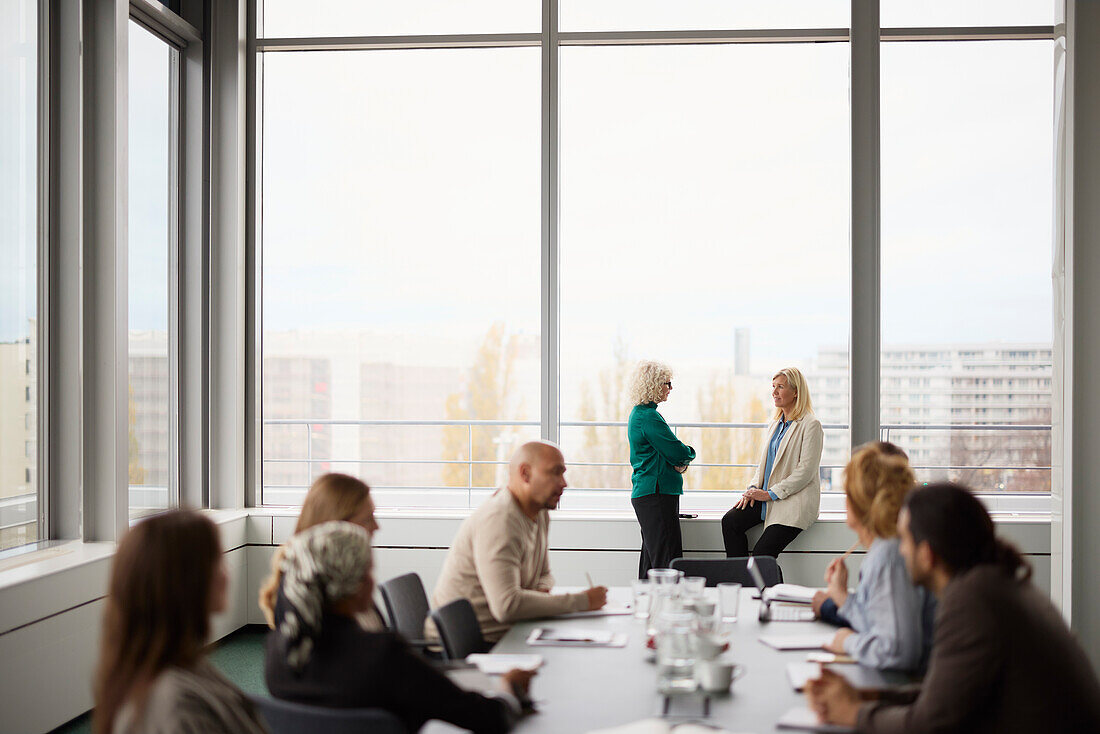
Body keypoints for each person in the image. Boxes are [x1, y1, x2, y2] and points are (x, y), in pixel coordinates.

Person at [805, 483, 1100, 733]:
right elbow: (949, 695)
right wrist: (874, 696)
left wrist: (853, 711)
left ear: (928, 554)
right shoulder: (997, 585)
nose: (900, 549)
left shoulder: (971, 602)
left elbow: (928, 725)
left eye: (904, 539)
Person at [265, 522, 531, 734]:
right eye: (369, 570)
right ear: (355, 585)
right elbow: (488, 719)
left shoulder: (278, 650)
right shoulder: (383, 655)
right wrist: (508, 689)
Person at [93, 510, 267, 734]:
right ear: (186, 580)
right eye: (217, 561)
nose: (226, 573)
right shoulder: (180, 707)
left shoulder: (167, 672)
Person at [429, 441, 608, 643]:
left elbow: (545, 575)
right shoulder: (500, 519)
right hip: (468, 646)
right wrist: (583, 601)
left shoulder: (539, 512)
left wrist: (534, 595)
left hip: (511, 632)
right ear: (525, 474)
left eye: (563, 473)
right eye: (555, 473)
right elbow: (507, 606)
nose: (563, 483)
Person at [810, 442, 934, 672]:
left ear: (862, 502)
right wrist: (842, 598)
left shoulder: (889, 556)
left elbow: (897, 652)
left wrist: (846, 642)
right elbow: (883, 626)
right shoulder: (886, 548)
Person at [258, 472, 384, 632]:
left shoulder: (344, 578)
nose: (376, 527)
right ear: (334, 526)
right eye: (367, 519)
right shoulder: (305, 595)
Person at [721, 367, 823, 558]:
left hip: (792, 501)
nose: (774, 392)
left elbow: (806, 471)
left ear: (796, 392)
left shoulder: (811, 425)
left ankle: (774, 589)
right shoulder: (775, 424)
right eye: (773, 386)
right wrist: (751, 489)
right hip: (767, 497)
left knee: (762, 554)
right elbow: (764, 464)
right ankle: (741, 580)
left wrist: (769, 494)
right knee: (730, 521)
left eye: (780, 387)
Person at [627, 360, 697, 577]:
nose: (670, 388)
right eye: (667, 383)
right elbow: (678, 452)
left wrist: (677, 461)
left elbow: (664, 453)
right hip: (656, 494)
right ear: (654, 385)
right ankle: (667, 608)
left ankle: (648, 606)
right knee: (668, 562)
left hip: (649, 493)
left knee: (652, 560)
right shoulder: (649, 417)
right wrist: (689, 454)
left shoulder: (640, 414)